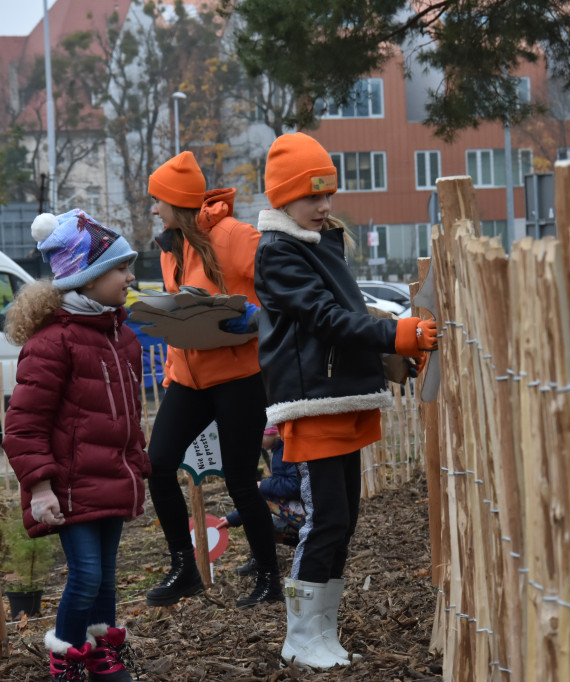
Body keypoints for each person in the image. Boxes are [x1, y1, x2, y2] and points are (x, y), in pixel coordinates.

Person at [253, 132, 438, 669]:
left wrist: (388, 345)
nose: (325, 205)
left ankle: (322, 629)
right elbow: (325, 320)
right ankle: (300, 634)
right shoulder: (279, 253)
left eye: (328, 194)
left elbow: (344, 315)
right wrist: (394, 336)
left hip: (339, 398)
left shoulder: (319, 243)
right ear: (283, 199)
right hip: (313, 403)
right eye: (313, 196)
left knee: (343, 519)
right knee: (324, 519)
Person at [3, 209, 149, 682]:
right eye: (120, 268)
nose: (130, 276)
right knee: (85, 574)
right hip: (68, 485)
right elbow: (25, 422)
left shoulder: (122, 337)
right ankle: (65, 655)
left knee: (105, 577)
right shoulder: (53, 343)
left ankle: (100, 649)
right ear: (86, 279)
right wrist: (40, 486)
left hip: (112, 477)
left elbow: (129, 414)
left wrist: (137, 464)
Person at [143, 151, 282, 608]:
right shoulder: (170, 247)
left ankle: (269, 577)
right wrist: (168, 371)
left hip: (238, 375)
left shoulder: (236, 237)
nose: (153, 209)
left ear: (176, 202)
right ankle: (184, 566)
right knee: (158, 463)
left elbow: (283, 287)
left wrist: (259, 319)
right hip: (187, 377)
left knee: (242, 478)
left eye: (158, 201)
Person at [217, 427, 305, 575]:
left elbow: (296, 486)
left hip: (302, 515)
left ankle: (262, 563)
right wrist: (231, 519)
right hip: (294, 512)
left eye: (259, 436)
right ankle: (260, 561)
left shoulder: (287, 450)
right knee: (256, 516)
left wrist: (264, 485)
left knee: (257, 517)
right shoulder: (278, 450)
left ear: (273, 432)